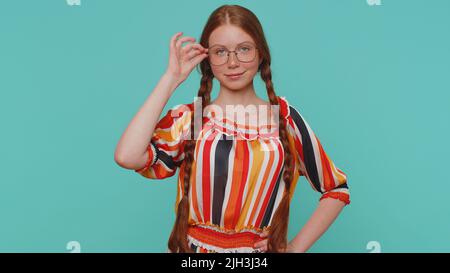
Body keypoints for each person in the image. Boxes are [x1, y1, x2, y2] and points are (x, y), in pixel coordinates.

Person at [114, 4, 350, 253]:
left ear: (261, 54)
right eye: (220, 52)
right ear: (207, 60)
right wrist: (171, 78)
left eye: (244, 49)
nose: (233, 62)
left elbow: (336, 188)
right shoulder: (194, 118)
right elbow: (127, 156)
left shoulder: (284, 119)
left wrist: (294, 248)